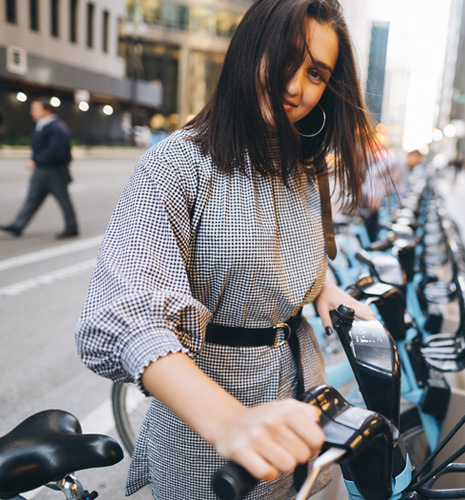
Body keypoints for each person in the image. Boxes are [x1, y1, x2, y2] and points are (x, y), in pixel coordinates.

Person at [74, 1, 377, 498]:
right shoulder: (177, 164)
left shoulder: (303, 169)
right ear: (249, 47)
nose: (295, 87)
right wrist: (229, 421)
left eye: (316, 73)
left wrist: (325, 288)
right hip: (208, 441)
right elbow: (124, 312)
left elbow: (291, 257)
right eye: (286, 58)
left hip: (305, 408)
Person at [1, 99, 79, 238]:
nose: (32, 112)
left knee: (63, 200)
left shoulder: (57, 127)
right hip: (42, 170)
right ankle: (18, 225)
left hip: (54, 171)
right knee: (32, 199)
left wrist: (36, 160)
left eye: (36, 109)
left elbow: (57, 150)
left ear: (47, 110)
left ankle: (72, 227)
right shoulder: (42, 125)